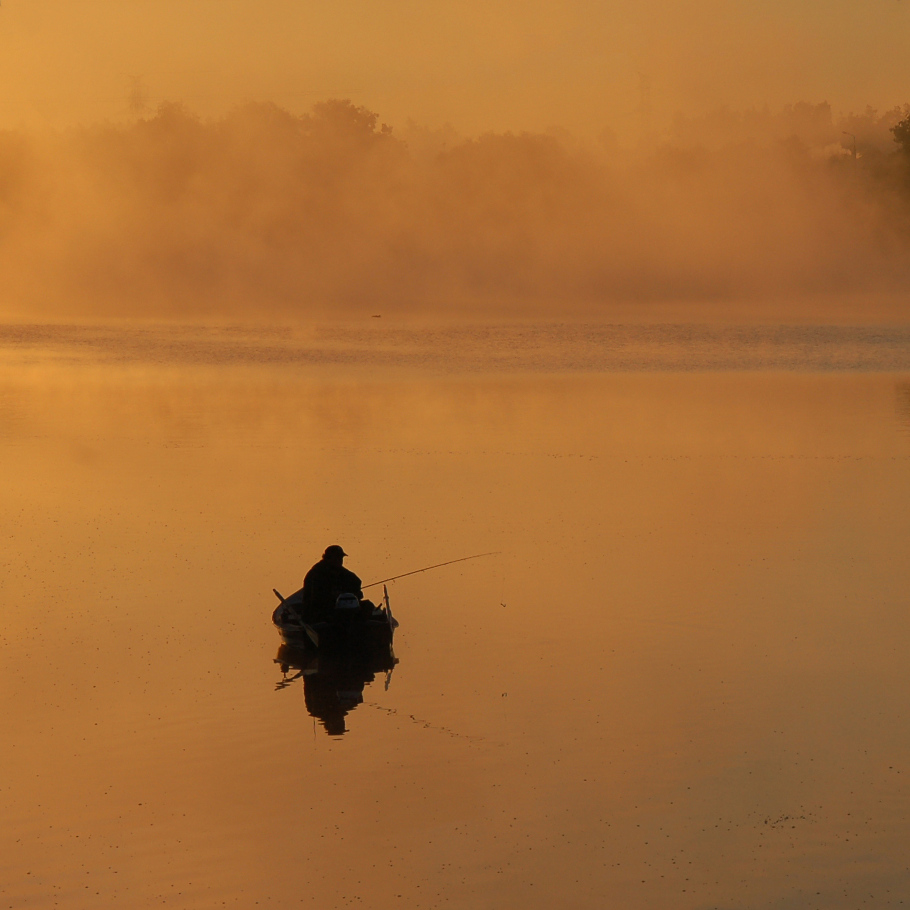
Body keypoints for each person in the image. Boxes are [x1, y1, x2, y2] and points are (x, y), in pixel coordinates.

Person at [301, 545, 366, 623]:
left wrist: (354, 593)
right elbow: (313, 599)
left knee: (368, 606)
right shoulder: (316, 573)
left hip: (342, 610)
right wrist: (332, 595)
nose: (340, 560)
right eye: (336, 557)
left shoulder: (343, 572)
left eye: (341, 558)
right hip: (320, 611)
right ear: (328, 558)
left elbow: (356, 582)